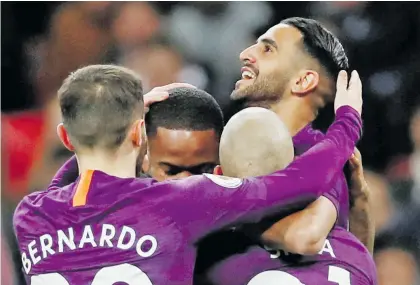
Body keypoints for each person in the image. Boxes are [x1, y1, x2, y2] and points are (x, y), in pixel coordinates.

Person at [13, 64, 362, 284]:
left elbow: (66, 186)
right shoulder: (179, 203)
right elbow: (302, 181)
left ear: (64, 138)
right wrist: (347, 121)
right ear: (140, 135)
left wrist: (106, 130)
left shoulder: (29, 216)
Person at [195, 17, 374, 284]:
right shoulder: (219, 142)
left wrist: (224, 208)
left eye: (267, 49)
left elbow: (306, 237)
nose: (245, 54)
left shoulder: (320, 155)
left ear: (303, 81)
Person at [199, 107, 376, 285]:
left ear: (219, 174)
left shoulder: (207, 253)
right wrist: (360, 200)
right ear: (295, 166)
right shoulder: (353, 254)